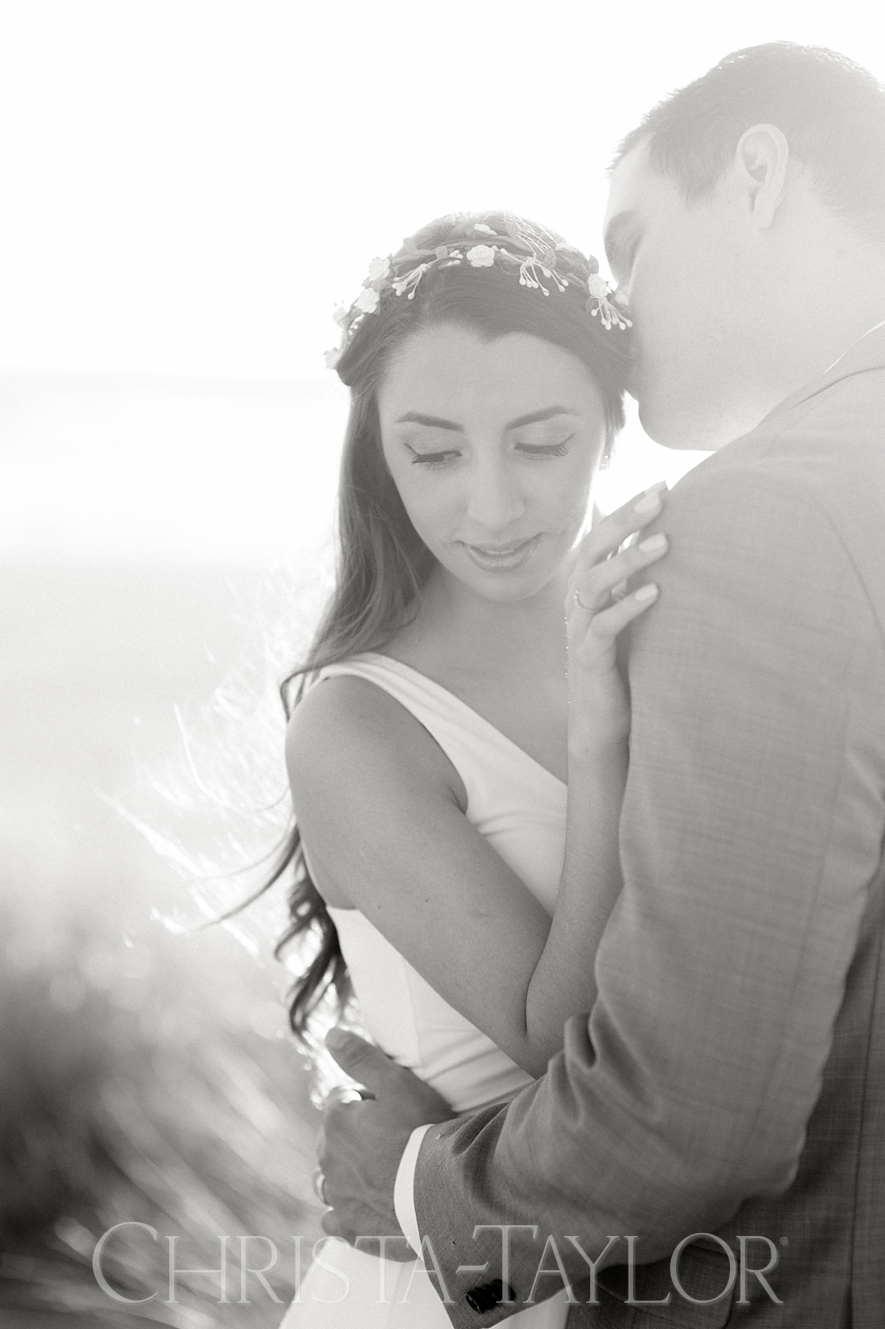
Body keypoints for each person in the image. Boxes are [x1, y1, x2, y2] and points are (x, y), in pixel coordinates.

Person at [316, 41, 885, 1327]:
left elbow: (686, 1112)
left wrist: (417, 1188)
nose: (621, 306)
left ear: (756, 176)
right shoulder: (364, 716)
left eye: (632, 243)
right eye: (435, 450)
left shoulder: (768, 521)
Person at [276, 212, 670, 1327]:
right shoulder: (357, 727)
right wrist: (599, 732)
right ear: (377, 452)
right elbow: (561, 1040)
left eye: (542, 444)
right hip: (430, 1291)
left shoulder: (683, 633)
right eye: (433, 452)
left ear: (611, 420)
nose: (490, 509)